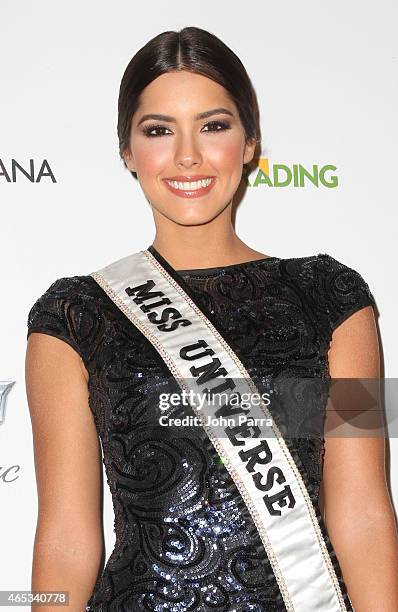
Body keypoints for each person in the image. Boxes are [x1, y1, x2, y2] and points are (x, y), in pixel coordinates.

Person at [25, 26, 398, 612]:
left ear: (250, 142)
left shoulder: (335, 298)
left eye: (214, 126)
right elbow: (66, 540)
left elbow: (365, 513)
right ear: (127, 150)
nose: (188, 155)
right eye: (158, 131)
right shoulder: (74, 315)